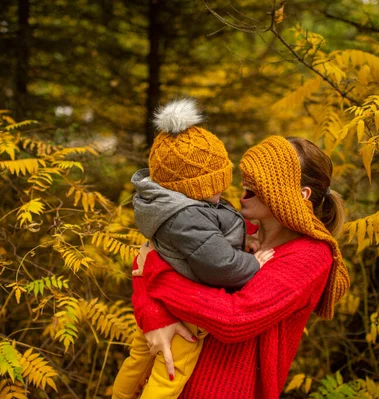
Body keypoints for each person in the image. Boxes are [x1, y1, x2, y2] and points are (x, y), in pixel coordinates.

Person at [131, 135, 350, 398]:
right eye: (249, 170)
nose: (246, 178)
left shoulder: (310, 257)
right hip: (164, 380)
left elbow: (235, 319)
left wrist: (158, 277)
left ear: (301, 195)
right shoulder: (238, 229)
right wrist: (155, 317)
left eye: (262, 175)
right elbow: (147, 257)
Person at [112, 99, 271, 399]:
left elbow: (210, 241)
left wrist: (243, 241)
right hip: (184, 317)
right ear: (190, 188)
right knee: (170, 376)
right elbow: (220, 264)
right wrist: (255, 265)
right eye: (215, 184)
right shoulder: (187, 218)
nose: (222, 190)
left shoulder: (180, 208)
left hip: (163, 304)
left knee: (137, 361)